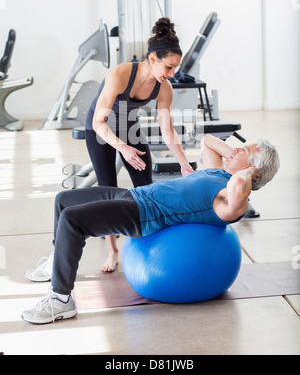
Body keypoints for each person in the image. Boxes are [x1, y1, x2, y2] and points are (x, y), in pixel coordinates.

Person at [21, 134, 279, 324]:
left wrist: (251, 171)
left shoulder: (229, 200)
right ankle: (58, 263)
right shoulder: (217, 173)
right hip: (133, 195)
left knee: (72, 220)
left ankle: (61, 299)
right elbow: (207, 141)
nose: (234, 149)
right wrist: (239, 156)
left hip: (142, 215)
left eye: (243, 149)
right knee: (63, 200)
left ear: (253, 170)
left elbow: (239, 193)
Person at [84, 17, 194, 272]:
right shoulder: (120, 74)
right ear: (153, 59)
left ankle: (150, 241)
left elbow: (168, 131)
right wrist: (121, 147)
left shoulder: (164, 88)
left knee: (145, 185)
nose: (172, 74)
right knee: (108, 187)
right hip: (100, 128)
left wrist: (184, 163)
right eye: (169, 67)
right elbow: (101, 123)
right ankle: (112, 251)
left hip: (129, 127)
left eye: (175, 68)